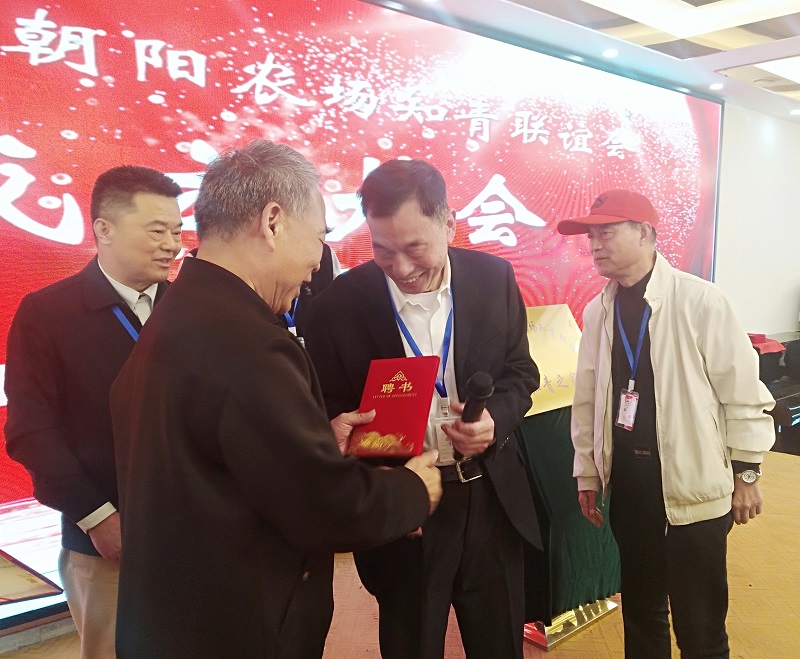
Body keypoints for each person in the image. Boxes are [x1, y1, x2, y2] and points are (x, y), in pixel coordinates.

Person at [109, 140, 442, 659]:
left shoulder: (181, 314)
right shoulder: (246, 343)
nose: (316, 263)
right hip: (236, 627)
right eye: (319, 238)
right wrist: (413, 490)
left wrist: (311, 441)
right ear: (273, 222)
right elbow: (325, 507)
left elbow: (218, 457)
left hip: (179, 615)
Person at [303, 158, 542, 659]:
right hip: (405, 504)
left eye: (415, 248)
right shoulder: (336, 307)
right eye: (383, 250)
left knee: (498, 640)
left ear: (449, 223)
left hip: (489, 495)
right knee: (411, 640)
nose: (402, 268)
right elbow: (327, 402)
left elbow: (521, 373)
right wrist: (340, 432)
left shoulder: (493, 278)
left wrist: (495, 420)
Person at [558, 189, 776, 658]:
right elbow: (588, 400)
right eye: (591, 236)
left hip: (693, 485)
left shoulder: (700, 301)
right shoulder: (598, 310)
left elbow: (742, 391)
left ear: (644, 233)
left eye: (606, 233)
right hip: (631, 487)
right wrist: (588, 472)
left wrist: (747, 472)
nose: (595, 245)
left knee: (700, 626)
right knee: (641, 612)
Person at [4, 165, 184, 659]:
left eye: (176, 232)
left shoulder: (189, 308)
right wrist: (97, 517)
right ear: (104, 228)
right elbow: (31, 431)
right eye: (157, 231)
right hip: (105, 539)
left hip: (195, 529)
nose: (171, 245)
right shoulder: (49, 313)